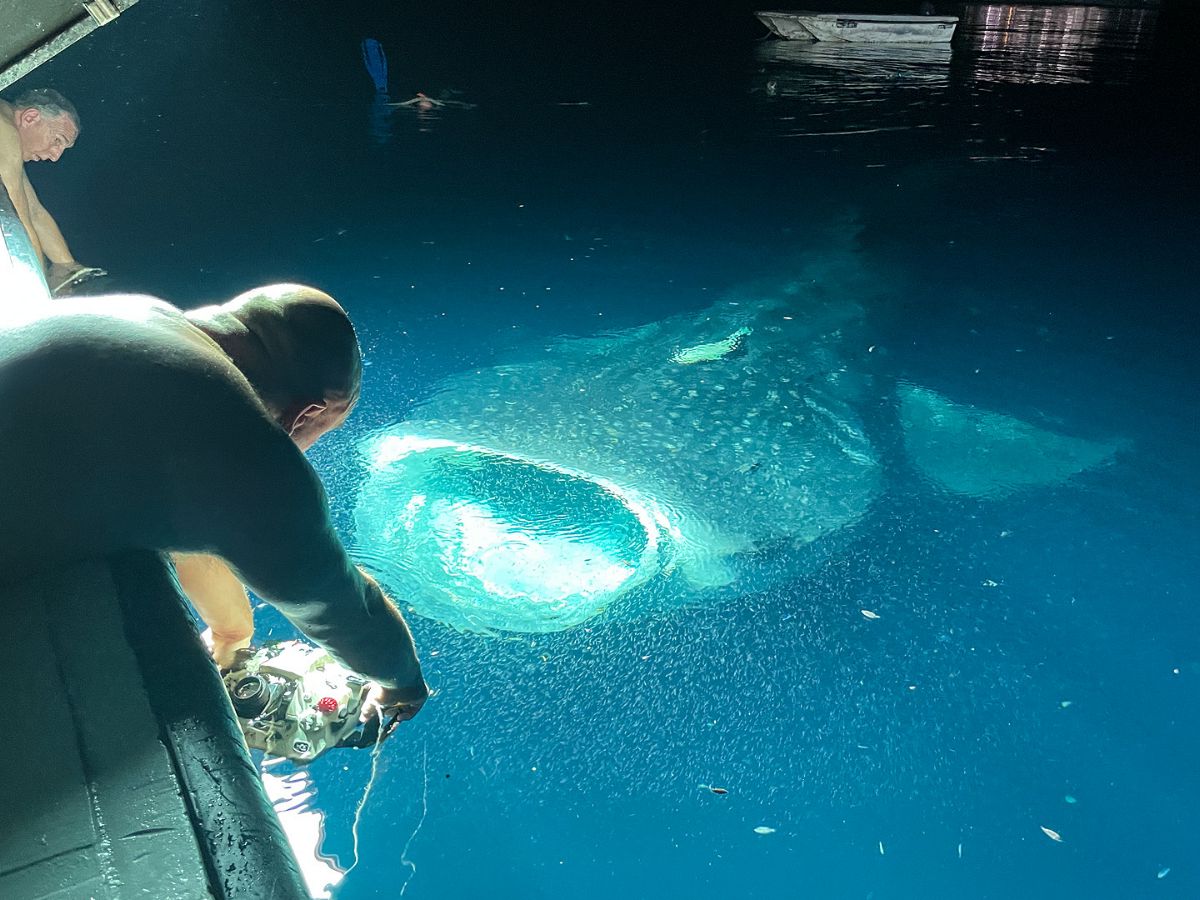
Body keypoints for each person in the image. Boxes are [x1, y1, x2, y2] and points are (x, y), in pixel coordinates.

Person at [0, 283, 428, 723]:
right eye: (318, 434)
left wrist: (231, 635)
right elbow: (341, 607)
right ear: (303, 414)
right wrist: (404, 684)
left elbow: (190, 527)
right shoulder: (238, 438)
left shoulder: (133, 315)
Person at [0, 88, 102, 292]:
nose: (55, 157)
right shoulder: (5, 131)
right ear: (30, 118)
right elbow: (17, 221)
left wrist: (69, 268)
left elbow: (34, 211)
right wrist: (39, 288)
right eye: (57, 141)